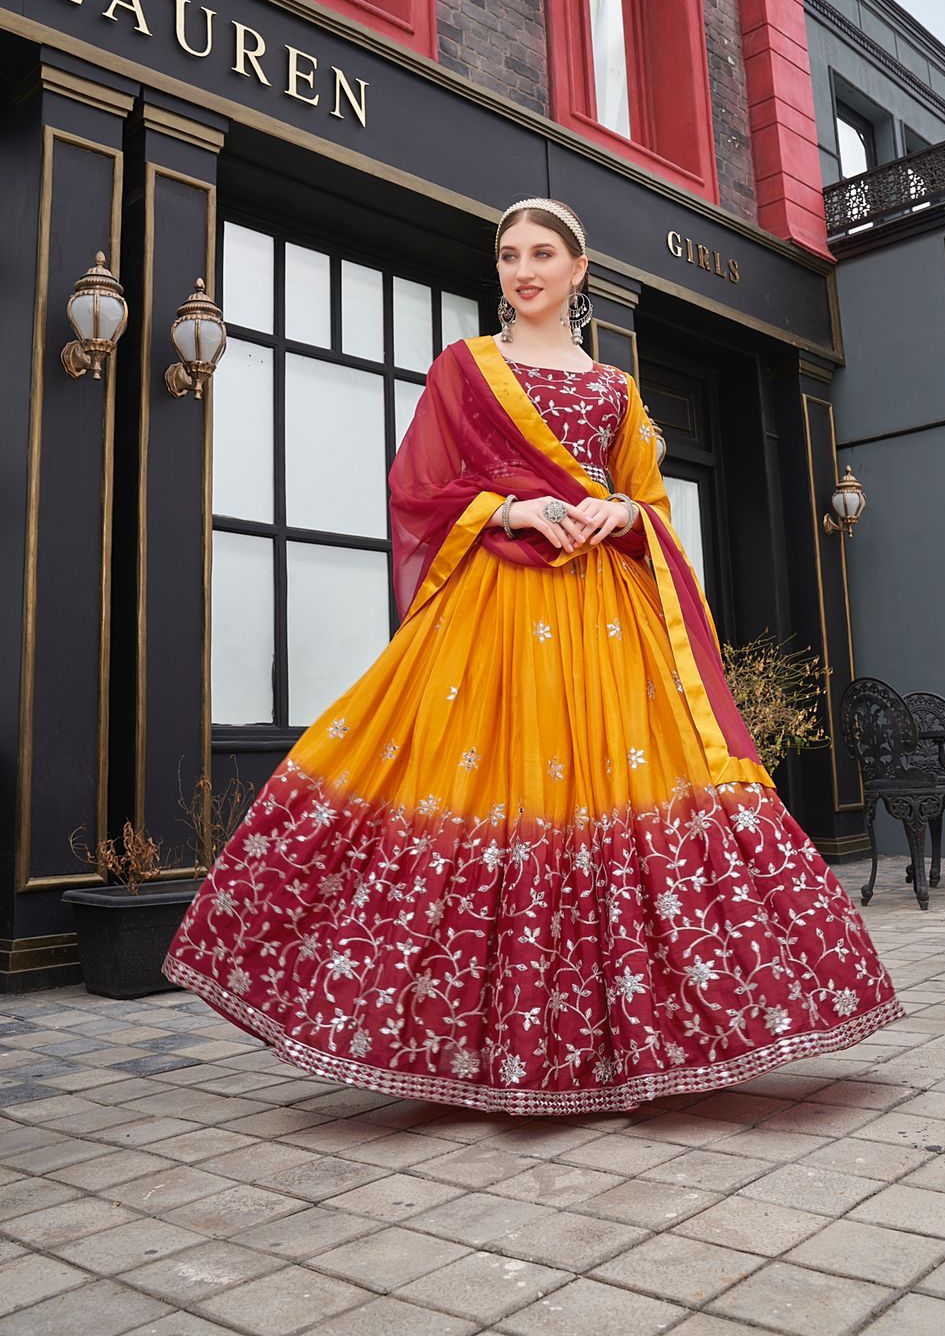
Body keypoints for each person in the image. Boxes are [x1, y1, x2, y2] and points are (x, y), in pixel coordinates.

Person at [165, 196, 903, 1115]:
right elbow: (418, 490)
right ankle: (460, 1044)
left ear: (577, 268)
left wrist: (622, 512)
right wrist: (509, 510)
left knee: (623, 793)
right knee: (469, 781)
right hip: (497, 612)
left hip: (606, 621)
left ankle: (629, 1044)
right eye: (510, 254)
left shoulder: (614, 391)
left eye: (543, 253)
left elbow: (649, 505)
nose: (523, 269)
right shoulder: (467, 371)